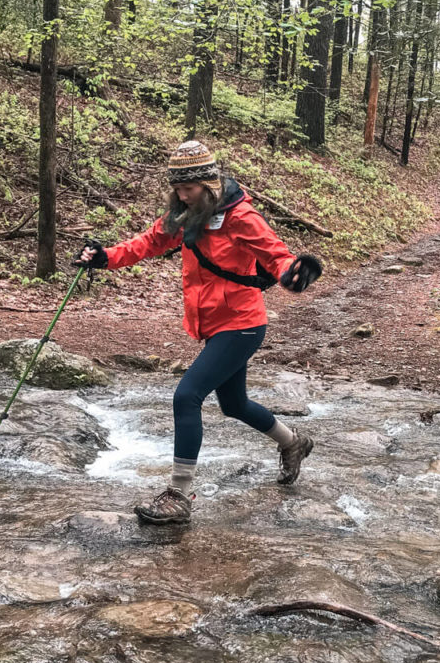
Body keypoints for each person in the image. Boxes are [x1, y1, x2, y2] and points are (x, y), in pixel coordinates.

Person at [75, 139, 322, 525]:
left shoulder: (241, 217)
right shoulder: (186, 214)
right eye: (177, 187)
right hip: (214, 324)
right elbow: (150, 242)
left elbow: (276, 255)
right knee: (234, 405)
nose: (182, 194)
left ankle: (178, 494)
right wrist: (105, 257)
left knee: (186, 396)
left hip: (241, 324)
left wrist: (293, 272)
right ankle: (294, 442)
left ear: (208, 183)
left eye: (188, 188)